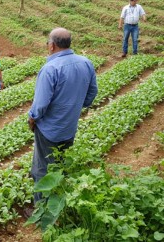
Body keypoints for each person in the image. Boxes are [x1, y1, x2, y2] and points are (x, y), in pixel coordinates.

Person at [28, 28, 98, 204]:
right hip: (69, 126)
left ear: (51, 46)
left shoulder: (50, 68)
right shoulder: (86, 63)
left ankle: (43, 210)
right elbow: (92, 92)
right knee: (61, 164)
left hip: (48, 130)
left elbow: (41, 104)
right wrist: (74, 107)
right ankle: (61, 203)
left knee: (42, 170)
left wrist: (32, 118)